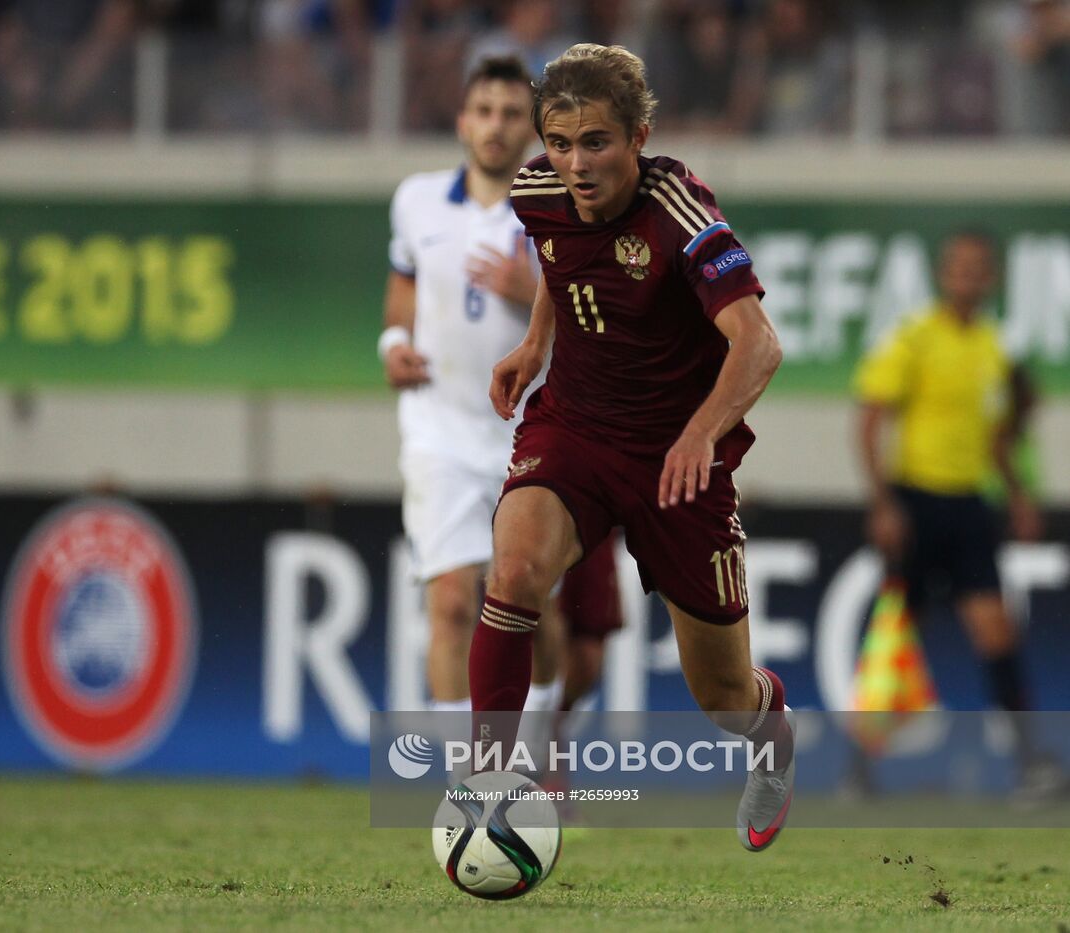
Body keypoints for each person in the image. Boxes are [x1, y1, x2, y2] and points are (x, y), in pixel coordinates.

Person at [468, 43, 791, 853]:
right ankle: (487, 786)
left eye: (597, 143)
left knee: (719, 695)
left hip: (679, 461)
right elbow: (559, 257)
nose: (576, 164)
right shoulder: (536, 189)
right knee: (512, 573)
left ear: (639, 138)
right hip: (574, 427)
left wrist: (699, 432)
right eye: (561, 142)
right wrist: (536, 342)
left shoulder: (681, 212)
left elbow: (757, 344)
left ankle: (769, 726)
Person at [382, 55, 621, 721]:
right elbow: (403, 283)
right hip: (439, 431)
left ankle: (530, 758)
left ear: (535, 129)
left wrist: (535, 292)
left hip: (535, 436)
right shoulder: (417, 199)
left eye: (512, 114)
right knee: (453, 602)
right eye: (485, 111)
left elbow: (610, 317)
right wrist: (393, 343)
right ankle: (468, 790)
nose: (496, 125)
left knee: (529, 608)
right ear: (463, 121)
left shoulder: (567, 209)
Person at [854, 231, 1060, 796]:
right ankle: (859, 767)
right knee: (895, 640)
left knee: (996, 634)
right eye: (959, 268)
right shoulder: (913, 339)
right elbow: (871, 421)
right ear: (945, 275)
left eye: (978, 269)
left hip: (971, 507)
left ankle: (1030, 764)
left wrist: (1018, 494)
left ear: (990, 279)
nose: (968, 278)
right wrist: (883, 502)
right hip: (917, 502)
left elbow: (997, 438)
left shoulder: (993, 347)